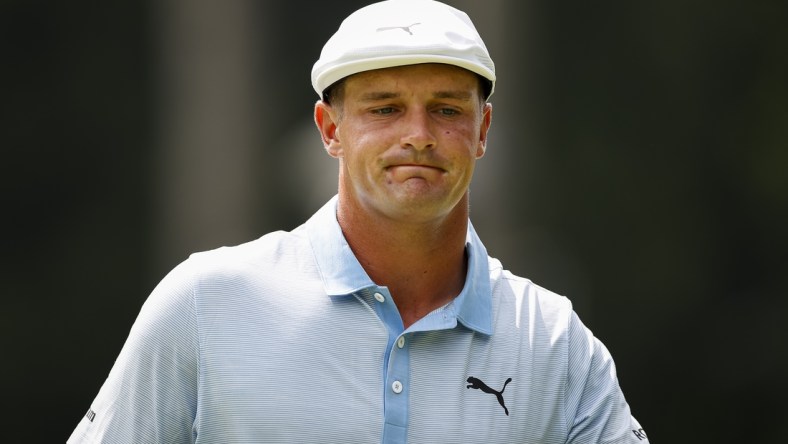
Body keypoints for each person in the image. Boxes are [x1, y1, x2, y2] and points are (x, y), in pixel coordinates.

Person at [68, 1, 649, 443]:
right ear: (330, 129)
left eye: (447, 109)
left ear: (482, 131)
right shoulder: (204, 304)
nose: (418, 133)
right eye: (385, 108)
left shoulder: (553, 341)